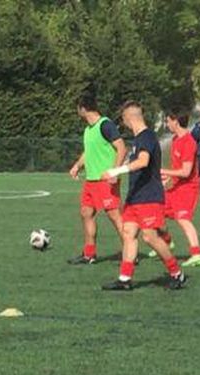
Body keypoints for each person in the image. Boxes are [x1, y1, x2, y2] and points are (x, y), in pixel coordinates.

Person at [99, 101, 185, 292]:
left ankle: (176, 273)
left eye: (124, 120)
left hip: (149, 197)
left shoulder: (146, 136)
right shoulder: (138, 140)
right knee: (129, 234)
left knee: (149, 237)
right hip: (135, 197)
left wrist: (116, 171)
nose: (124, 124)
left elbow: (144, 162)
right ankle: (124, 278)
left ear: (129, 118)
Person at [67, 93, 125, 265]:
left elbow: (121, 147)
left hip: (105, 181)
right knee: (86, 213)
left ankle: (130, 252)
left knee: (114, 216)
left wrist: (115, 172)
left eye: (78, 108)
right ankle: (89, 254)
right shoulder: (88, 130)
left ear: (83, 109)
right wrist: (77, 166)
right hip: (91, 181)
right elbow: (88, 152)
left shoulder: (105, 125)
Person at [159, 108, 200, 267]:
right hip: (177, 185)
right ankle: (167, 242)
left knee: (183, 219)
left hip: (189, 188)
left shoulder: (189, 142)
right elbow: (178, 168)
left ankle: (197, 255)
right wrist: (168, 178)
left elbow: (186, 172)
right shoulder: (175, 140)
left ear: (175, 121)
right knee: (156, 210)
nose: (167, 124)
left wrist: (163, 171)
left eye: (168, 121)